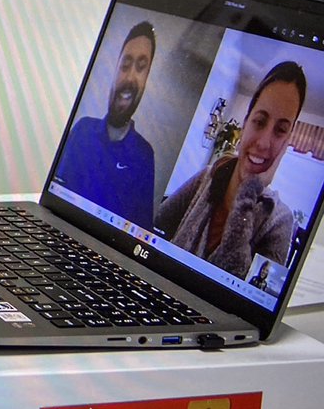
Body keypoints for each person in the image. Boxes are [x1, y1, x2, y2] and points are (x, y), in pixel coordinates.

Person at [155, 61, 304, 280]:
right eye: (260, 122)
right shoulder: (208, 176)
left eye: (280, 130)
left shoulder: (281, 222)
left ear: (287, 142)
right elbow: (155, 225)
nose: (264, 143)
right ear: (245, 124)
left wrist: (249, 192)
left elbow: (245, 301)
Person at [55, 21, 157, 227]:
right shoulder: (82, 130)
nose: (130, 77)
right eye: (125, 65)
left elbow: (139, 234)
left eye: (141, 67)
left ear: (146, 79)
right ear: (115, 70)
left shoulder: (145, 156)